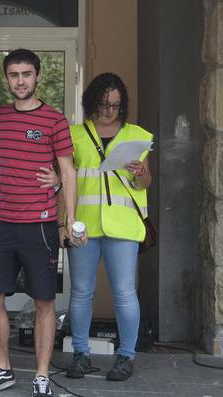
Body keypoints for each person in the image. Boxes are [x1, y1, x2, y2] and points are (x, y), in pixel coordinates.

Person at [0, 49, 81, 397]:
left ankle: (41, 376)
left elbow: (67, 169)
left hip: (40, 224)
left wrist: (69, 220)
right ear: (7, 79)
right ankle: (3, 369)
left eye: (26, 74)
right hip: (0, 223)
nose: (20, 80)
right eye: (14, 75)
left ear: (37, 77)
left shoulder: (54, 120)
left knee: (44, 302)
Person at [62, 73, 152, 381]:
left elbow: (145, 182)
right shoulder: (73, 134)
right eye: (103, 104)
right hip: (83, 226)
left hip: (123, 227)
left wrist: (140, 172)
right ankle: (80, 355)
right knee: (81, 293)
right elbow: (63, 177)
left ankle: (126, 357)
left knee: (125, 293)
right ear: (91, 102)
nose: (109, 110)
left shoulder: (136, 135)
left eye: (115, 105)